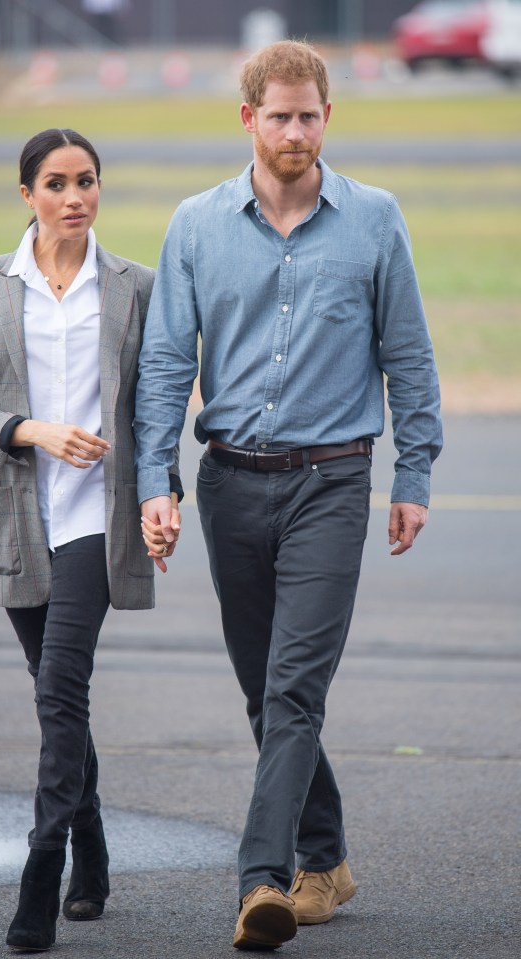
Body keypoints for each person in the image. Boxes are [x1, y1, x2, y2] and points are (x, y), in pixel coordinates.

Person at [134, 40, 442, 951]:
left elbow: (410, 360)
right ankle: (329, 852)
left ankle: (265, 880)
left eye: (310, 115)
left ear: (327, 118)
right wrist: (160, 481)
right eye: (280, 116)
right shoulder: (194, 225)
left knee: (295, 688)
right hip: (231, 482)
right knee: (265, 694)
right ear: (248, 120)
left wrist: (413, 474)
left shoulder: (375, 220)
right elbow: (163, 365)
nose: (296, 131)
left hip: (334, 483)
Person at [0, 128, 181, 952]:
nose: (74, 196)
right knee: (59, 693)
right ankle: (94, 850)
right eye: (56, 183)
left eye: (87, 181)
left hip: (95, 519)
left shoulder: (135, 286)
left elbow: (156, 407)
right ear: (27, 196)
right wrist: (31, 429)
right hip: (14, 517)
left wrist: (162, 490)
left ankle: (41, 871)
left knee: (58, 690)